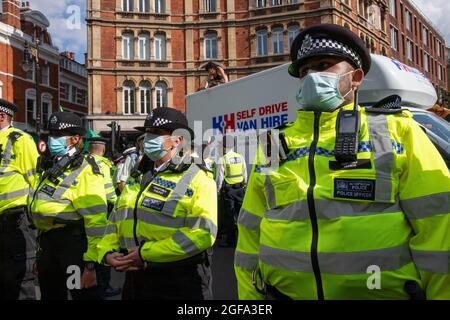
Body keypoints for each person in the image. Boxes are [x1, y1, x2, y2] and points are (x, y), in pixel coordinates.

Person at [234, 24, 450, 300]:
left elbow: (438, 230)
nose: (312, 76)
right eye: (304, 71)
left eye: (324, 65)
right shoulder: (275, 143)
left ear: (356, 77)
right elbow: (250, 231)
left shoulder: (398, 131)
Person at [97, 108, 217, 300]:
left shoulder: (198, 178)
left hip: (178, 280)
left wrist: (146, 254)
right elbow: (117, 219)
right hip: (135, 279)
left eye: (156, 132)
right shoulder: (138, 176)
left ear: (177, 140)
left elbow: (202, 234)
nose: (148, 137)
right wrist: (107, 252)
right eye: (147, 132)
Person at [29, 112, 111, 300]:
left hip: (72, 246)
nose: (52, 139)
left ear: (75, 139)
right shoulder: (50, 164)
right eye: (50, 134)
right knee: (51, 294)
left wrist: (90, 265)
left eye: (58, 135)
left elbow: (96, 220)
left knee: (79, 293)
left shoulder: (85, 168)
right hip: (47, 244)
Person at [0, 99, 39, 300]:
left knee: (21, 275)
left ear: (1, 116)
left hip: (16, 219)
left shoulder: (20, 139)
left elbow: (33, 179)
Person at [87, 135, 121, 298]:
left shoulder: (82, 161)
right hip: (102, 210)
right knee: (103, 248)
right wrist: (119, 205)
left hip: (83, 210)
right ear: (103, 149)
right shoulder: (103, 164)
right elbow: (109, 191)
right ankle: (104, 286)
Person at [216, 135, 247, 247]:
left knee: (230, 217)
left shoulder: (222, 159)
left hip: (229, 192)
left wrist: (218, 192)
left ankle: (231, 241)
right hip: (240, 190)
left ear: (224, 146)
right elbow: (245, 174)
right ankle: (245, 239)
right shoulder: (240, 156)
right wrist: (244, 186)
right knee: (242, 215)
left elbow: (219, 179)